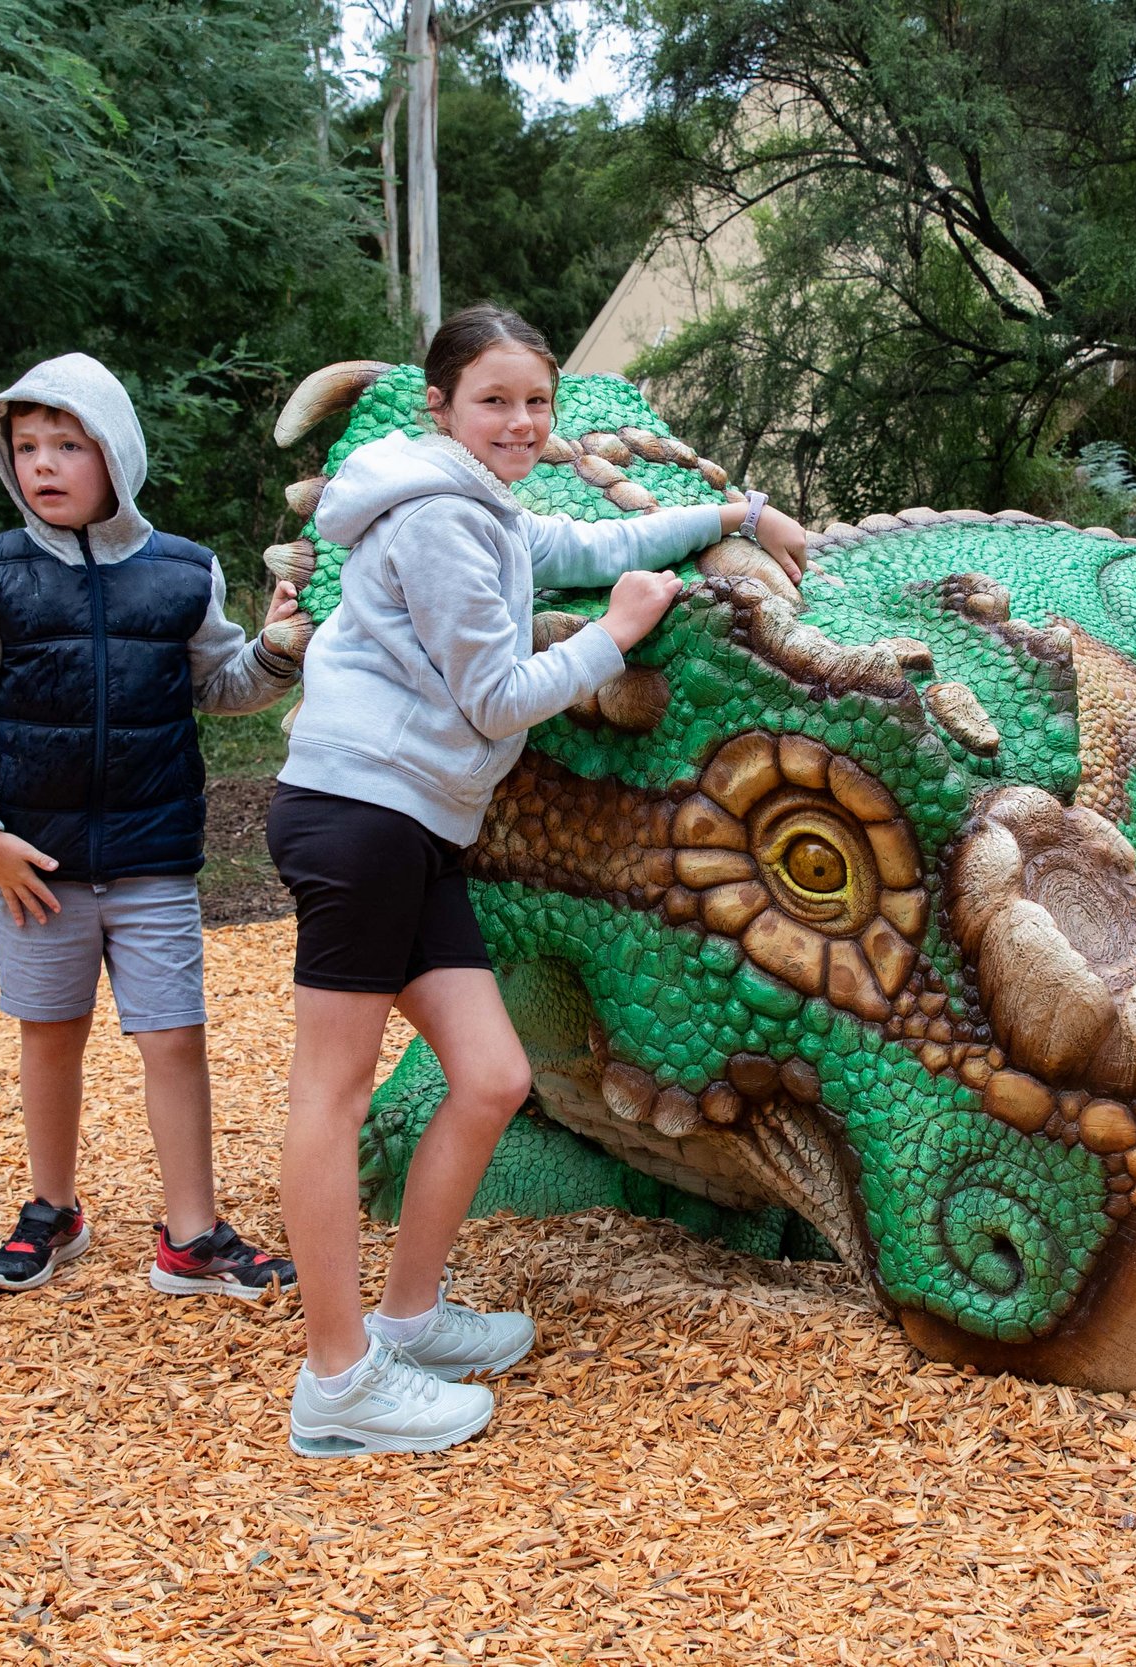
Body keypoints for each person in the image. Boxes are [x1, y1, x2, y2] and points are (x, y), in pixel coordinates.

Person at [269, 303, 808, 1456]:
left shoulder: (485, 510)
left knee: (491, 1071)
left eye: (534, 402)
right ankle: (337, 1378)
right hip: (358, 813)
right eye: (494, 400)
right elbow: (498, 696)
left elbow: (587, 547)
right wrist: (613, 637)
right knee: (334, 1089)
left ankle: (407, 1314)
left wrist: (730, 513)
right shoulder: (434, 525)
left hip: (412, 823)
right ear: (442, 406)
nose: (519, 422)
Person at [0, 353, 304, 1299]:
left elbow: (220, 684)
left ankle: (193, 1232)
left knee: (173, 1036)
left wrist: (282, 649)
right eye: (27, 446)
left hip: (152, 857)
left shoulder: (181, 573)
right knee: (50, 1032)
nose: (43, 464)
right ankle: (52, 1211)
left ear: (115, 454)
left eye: (68, 444)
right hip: (32, 864)